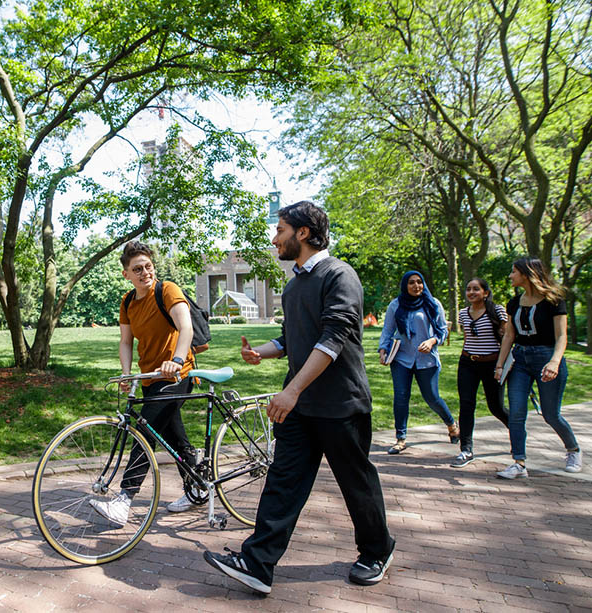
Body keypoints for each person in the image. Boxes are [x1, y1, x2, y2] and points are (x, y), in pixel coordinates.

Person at [203, 201, 395, 595]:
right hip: (301, 407)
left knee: (355, 483)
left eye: (280, 230)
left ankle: (377, 550)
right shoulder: (294, 283)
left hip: (340, 405)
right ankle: (258, 563)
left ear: (303, 233)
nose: (275, 239)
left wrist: (290, 390)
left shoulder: (339, 275)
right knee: (283, 481)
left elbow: (333, 339)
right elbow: (293, 339)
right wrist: (263, 352)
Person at [89, 240, 201, 526]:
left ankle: (125, 498)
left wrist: (176, 360)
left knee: (144, 430)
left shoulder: (168, 290)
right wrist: (127, 374)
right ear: (126, 273)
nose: (145, 272)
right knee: (173, 436)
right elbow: (126, 342)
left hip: (177, 374)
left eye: (148, 267)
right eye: (137, 269)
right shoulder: (128, 302)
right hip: (150, 376)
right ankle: (198, 484)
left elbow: (185, 327)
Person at [494, 257, 582, 478]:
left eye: (514, 272)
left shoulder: (554, 300)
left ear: (526, 274)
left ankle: (573, 449)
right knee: (516, 413)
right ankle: (519, 463)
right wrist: (499, 364)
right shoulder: (514, 303)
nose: (510, 276)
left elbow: (561, 336)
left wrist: (554, 362)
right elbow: (509, 336)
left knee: (551, 414)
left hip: (547, 357)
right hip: (520, 360)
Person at [378, 271, 459, 454]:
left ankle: (452, 424)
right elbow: (388, 330)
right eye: (412, 283)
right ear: (405, 285)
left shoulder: (433, 303)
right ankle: (401, 438)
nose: (416, 286)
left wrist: (432, 341)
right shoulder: (396, 305)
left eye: (419, 282)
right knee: (400, 397)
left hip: (427, 360)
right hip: (401, 358)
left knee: (432, 397)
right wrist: (383, 349)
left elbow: (442, 331)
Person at [452, 278, 509, 468]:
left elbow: (507, 337)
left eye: (476, 289)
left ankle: (517, 432)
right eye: (468, 289)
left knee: (496, 407)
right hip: (468, 363)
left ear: (485, 292)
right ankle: (466, 450)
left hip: (491, 364)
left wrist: (501, 365)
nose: (471, 292)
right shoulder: (463, 314)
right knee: (466, 404)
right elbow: (468, 337)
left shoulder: (497, 310)